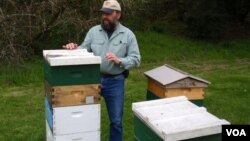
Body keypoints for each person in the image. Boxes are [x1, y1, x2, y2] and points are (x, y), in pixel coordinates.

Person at [63, 0, 141, 140]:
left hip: (115, 82)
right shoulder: (93, 31)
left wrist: (120, 61)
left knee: (116, 121)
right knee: (85, 116)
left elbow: (136, 59)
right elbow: (83, 50)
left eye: (108, 13)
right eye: (103, 13)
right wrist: (73, 48)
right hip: (93, 80)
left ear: (118, 14)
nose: (105, 16)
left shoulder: (128, 35)